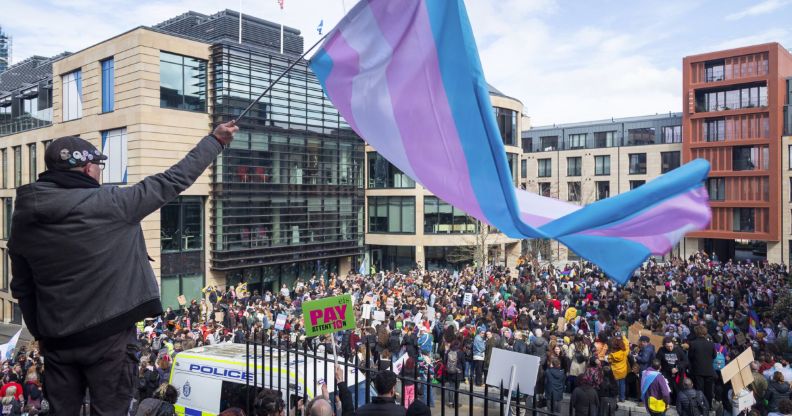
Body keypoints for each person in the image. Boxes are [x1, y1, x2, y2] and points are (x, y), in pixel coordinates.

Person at [8, 122, 238, 415]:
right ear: (86, 168)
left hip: (57, 339)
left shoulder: (24, 214)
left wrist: (41, 333)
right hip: (110, 339)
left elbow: (22, 285)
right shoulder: (113, 203)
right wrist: (216, 141)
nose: (100, 172)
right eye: (98, 165)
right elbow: (173, 180)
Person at [687, 326, 716, 406]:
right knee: (708, 391)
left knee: (699, 390)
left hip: (698, 371)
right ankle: (709, 406)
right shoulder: (711, 344)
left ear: (696, 333)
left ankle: (700, 406)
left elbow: (690, 356)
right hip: (709, 371)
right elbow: (714, 356)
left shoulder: (693, 343)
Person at [656, 337, 688, 402]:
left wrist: (677, 367)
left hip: (678, 374)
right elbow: (657, 360)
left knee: (678, 390)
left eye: (671, 346)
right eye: (667, 347)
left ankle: (677, 403)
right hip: (666, 373)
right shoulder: (661, 350)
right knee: (667, 390)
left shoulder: (678, 349)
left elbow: (686, 361)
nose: (670, 348)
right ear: (664, 345)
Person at [607, 335, 629, 402]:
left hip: (615, 372)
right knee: (622, 384)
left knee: (616, 385)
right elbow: (627, 345)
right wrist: (624, 337)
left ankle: (616, 397)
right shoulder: (625, 352)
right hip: (623, 371)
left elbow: (609, 360)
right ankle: (622, 398)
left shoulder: (611, 355)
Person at [443, 340, 463, 408]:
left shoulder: (448, 351)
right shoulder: (460, 352)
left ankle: (450, 403)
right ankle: (456, 403)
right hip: (458, 372)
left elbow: (444, 361)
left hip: (450, 372)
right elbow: (464, 364)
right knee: (457, 389)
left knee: (451, 387)